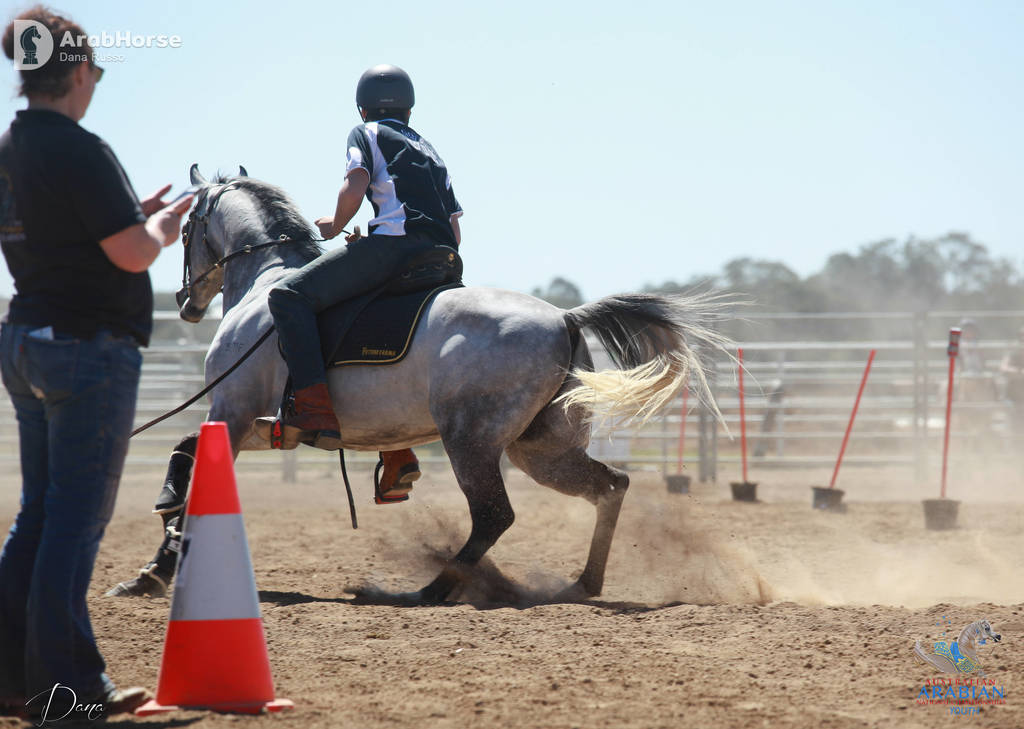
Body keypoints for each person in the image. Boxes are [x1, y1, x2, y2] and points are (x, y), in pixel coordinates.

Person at [0, 7, 192, 723]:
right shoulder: (80, 148)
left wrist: (126, 216)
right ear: (78, 72)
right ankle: (69, 689)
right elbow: (132, 253)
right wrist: (162, 227)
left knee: (39, 515)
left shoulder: (11, 146)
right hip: (87, 347)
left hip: (25, 337)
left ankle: (13, 676)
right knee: (75, 524)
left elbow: (55, 232)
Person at [263, 64, 463, 500]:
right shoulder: (430, 149)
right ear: (409, 109)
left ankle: (314, 411)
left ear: (362, 106)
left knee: (288, 295)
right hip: (446, 258)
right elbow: (454, 224)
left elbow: (356, 185)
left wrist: (334, 226)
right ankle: (396, 451)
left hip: (393, 249)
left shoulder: (366, 132)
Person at [999, 326, 1024, 435]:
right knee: (1015, 425)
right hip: (1014, 396)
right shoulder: (1014, 352)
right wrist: (1019, 372)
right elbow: (1003, 367)